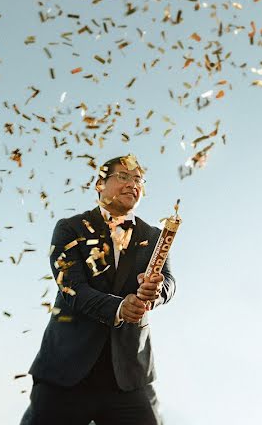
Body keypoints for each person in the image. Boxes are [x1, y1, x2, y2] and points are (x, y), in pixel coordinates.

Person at [22, 154, 176, 425]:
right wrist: (119, 307)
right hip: (66, 375)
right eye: (124, 177)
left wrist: (159, 290)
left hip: (129, 377)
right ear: (99, 184)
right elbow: (71, 287)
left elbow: (169, 281)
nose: (133, 184)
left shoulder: (153, 236)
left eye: (138, 179)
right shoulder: (70, 228)